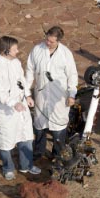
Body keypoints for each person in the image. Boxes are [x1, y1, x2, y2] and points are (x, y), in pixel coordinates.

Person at [0, 36, 41, 180]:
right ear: (6, 51)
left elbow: (21, 82)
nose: (18, 51)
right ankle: (8, 167)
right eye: (15, 49)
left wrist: (28, 96)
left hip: (21, 108)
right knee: (6, 141)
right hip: (5, 112)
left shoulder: (16, 62)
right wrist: (13, 103)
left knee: (26, 136)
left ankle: (26, 165)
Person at [26, 26, 78, 161]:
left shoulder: (66, 54)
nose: (48, 43)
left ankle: (58, 155)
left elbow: (72, 75)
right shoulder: (37, 50)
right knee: (39, 126)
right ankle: (38, 153)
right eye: (47, 40)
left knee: (58, 128)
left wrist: (72, 94)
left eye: (51, 42)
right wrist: (27, 93)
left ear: (58, 41)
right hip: (41, 96)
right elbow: (29, 71)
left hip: (59, 98)